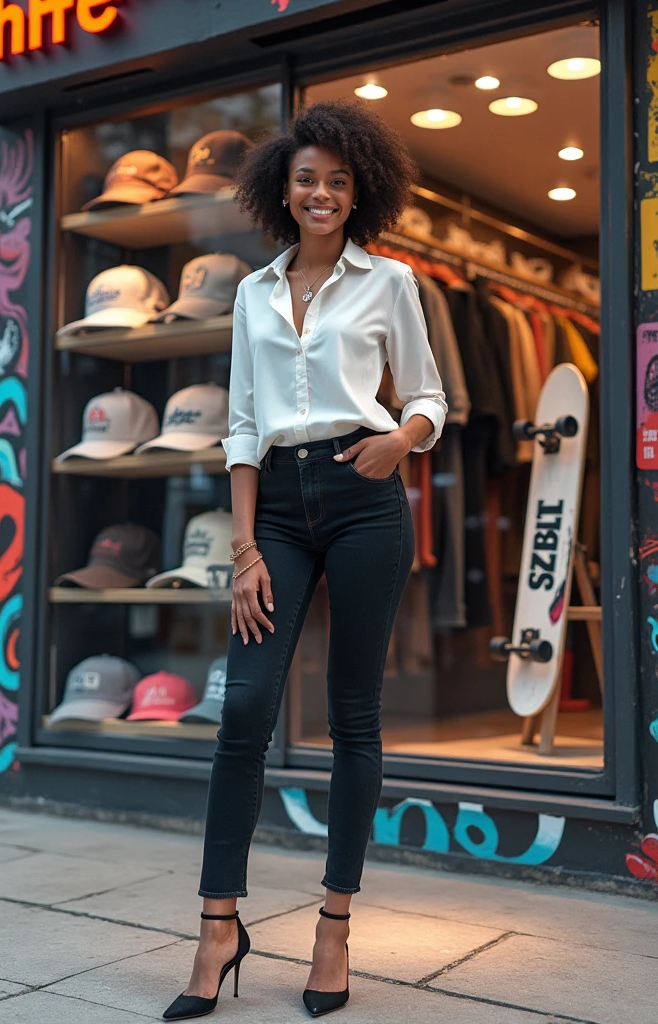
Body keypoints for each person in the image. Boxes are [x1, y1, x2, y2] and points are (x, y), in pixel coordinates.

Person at [163, 99, 447, 1021]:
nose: (321, 193)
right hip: (275, 507)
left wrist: (397, 440)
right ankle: (217, 926)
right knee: (242, 707)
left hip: (364, 497)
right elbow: (241, 424)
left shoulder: (390, 282)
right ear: (281, 188)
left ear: (359, 191)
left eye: (338, 180)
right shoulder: (250, 293)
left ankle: (334, 926)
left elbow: (432, 398)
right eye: (306, 178)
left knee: (353, 714)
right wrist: (244, 548)